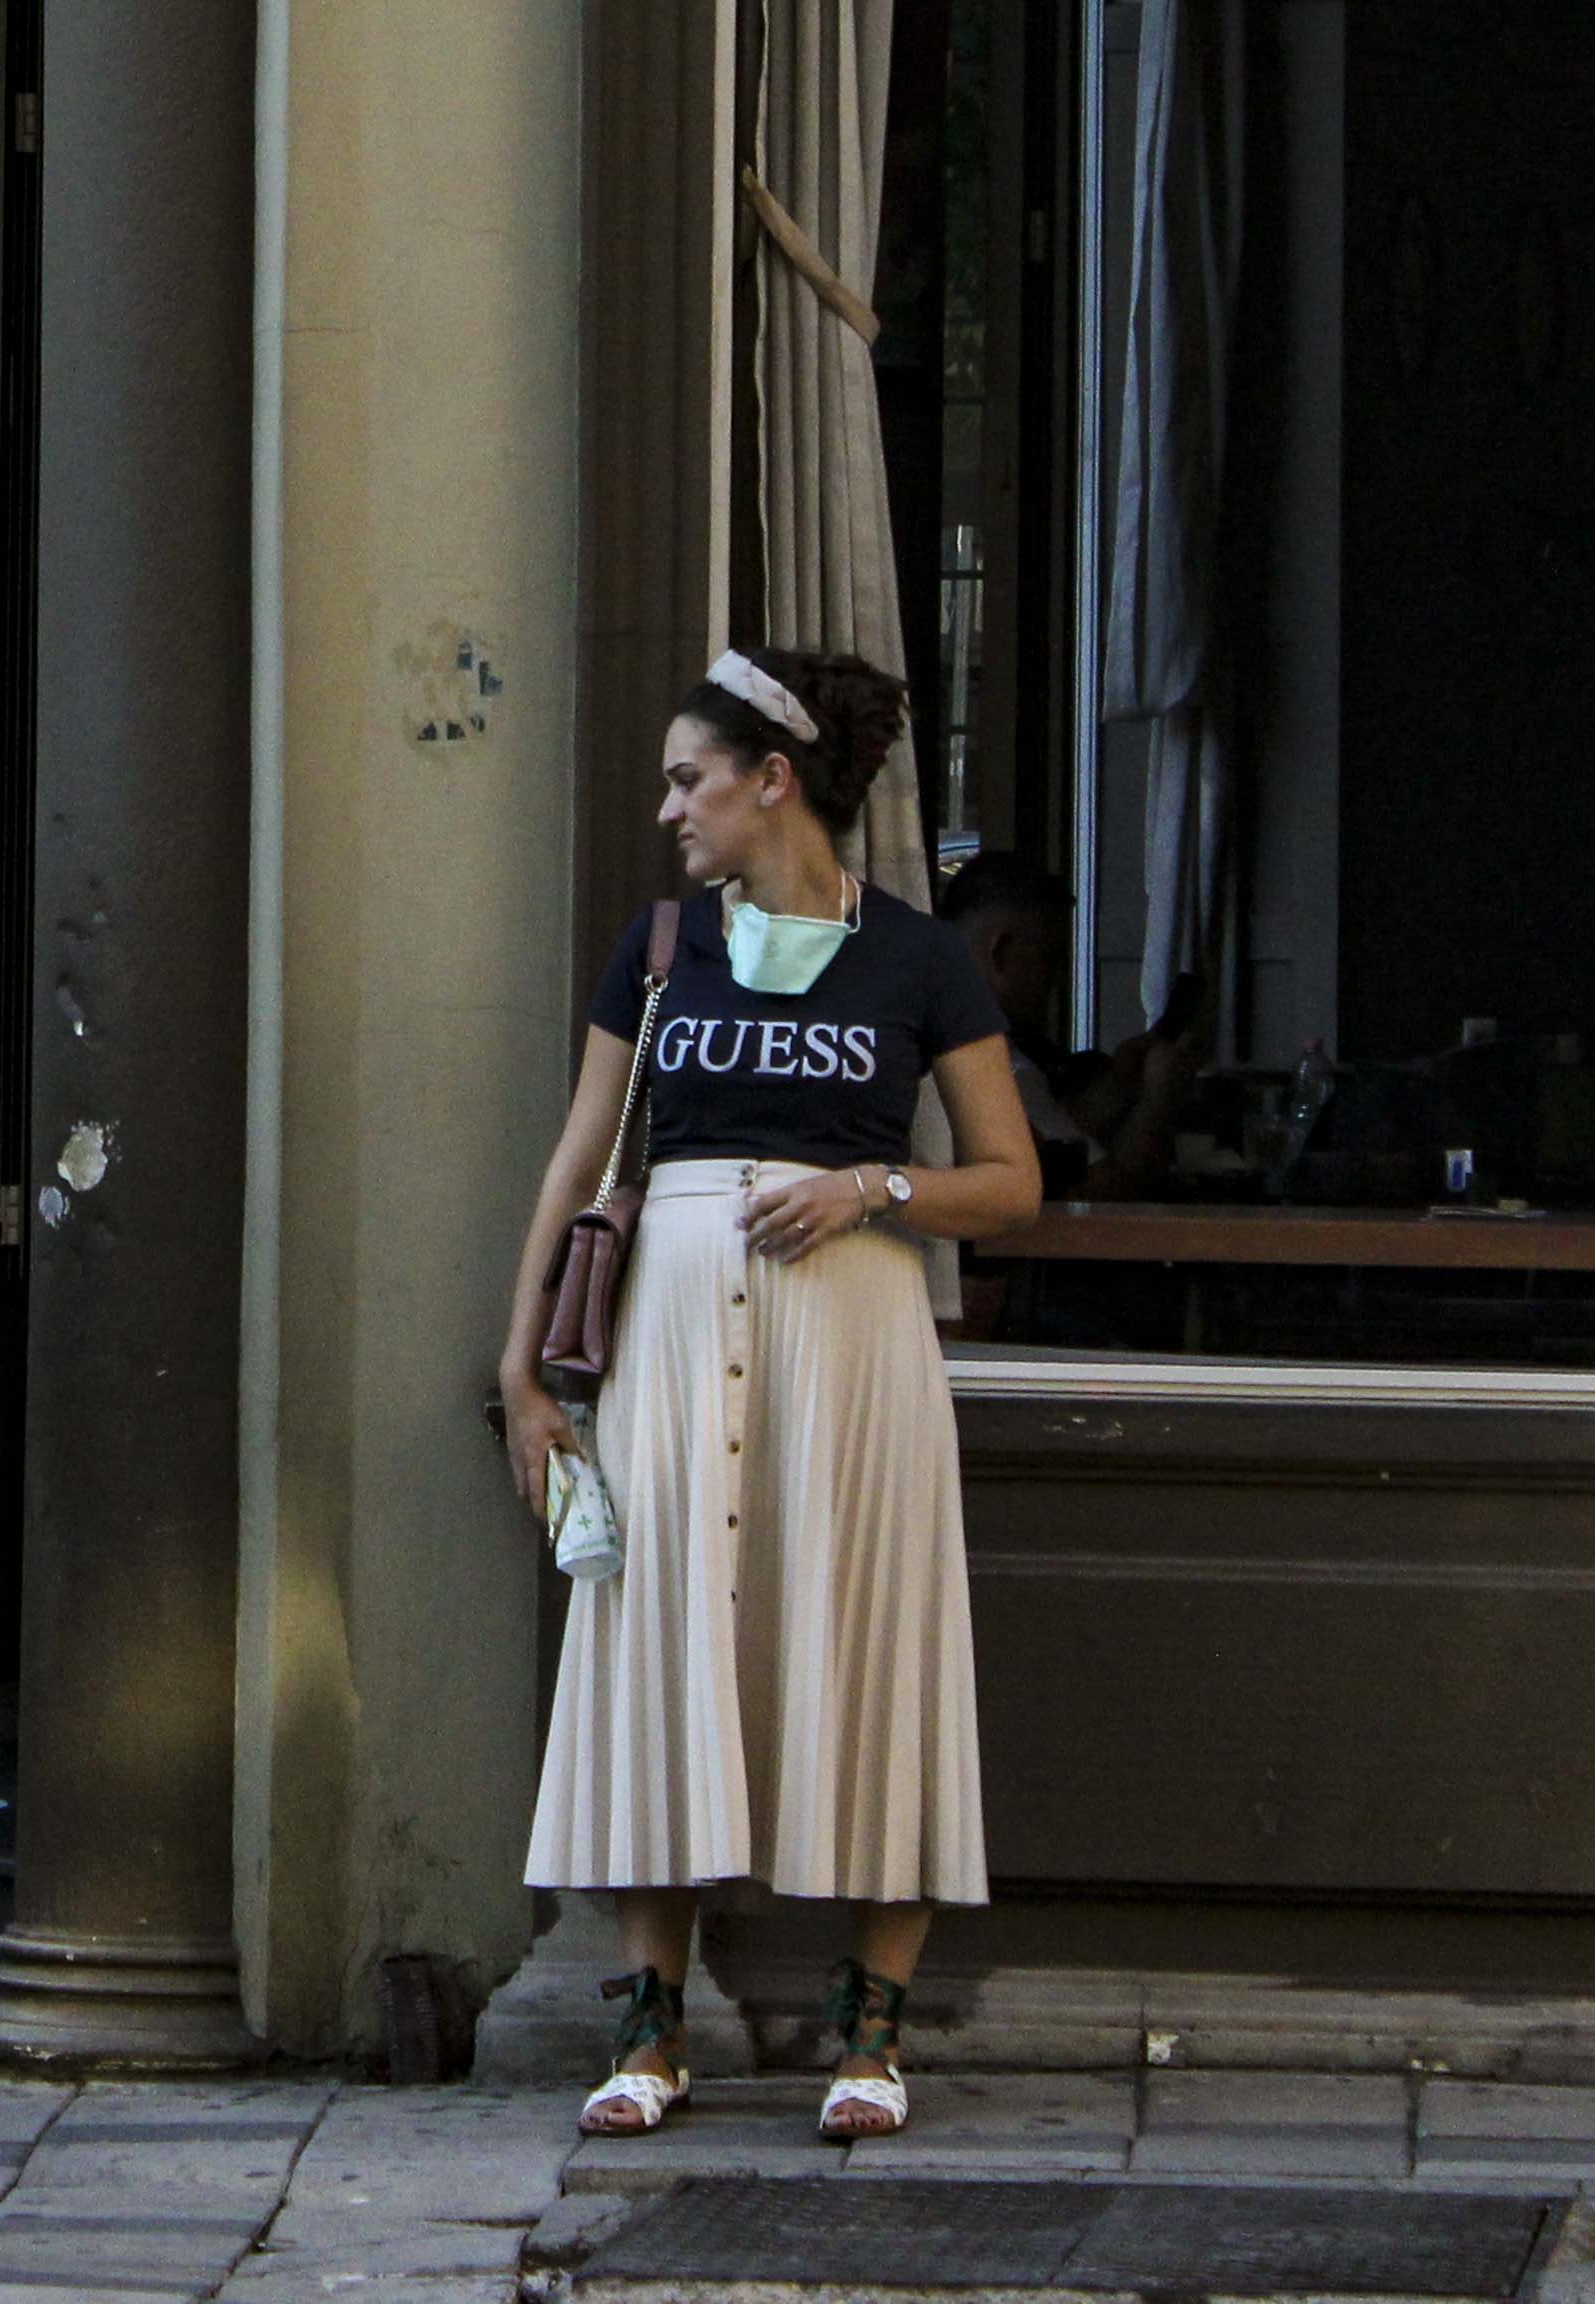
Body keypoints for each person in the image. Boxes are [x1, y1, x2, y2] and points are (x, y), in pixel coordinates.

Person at [490, 647, 1041, 2147]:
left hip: (852, 1339)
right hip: (669, 1330)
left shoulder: (917, 961)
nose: (672, 807)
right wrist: (521, 1368)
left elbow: (1010, 1184)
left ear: (772, 780)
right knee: (662, 1638)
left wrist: (874, 1183)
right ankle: (651, 2030)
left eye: (690, 779)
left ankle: (874, 2031)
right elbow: (582, 1153)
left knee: (869, 1634)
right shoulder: (662, 947)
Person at [931, 850, 1198, 1203]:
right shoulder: (992, 1064)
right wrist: (1160, 1100)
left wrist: (1120, 1083)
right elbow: (1103, 1199)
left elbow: (1052, 1135)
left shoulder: (932, 1026)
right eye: (1049, 958)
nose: (1057, 981)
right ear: (1001, 952)